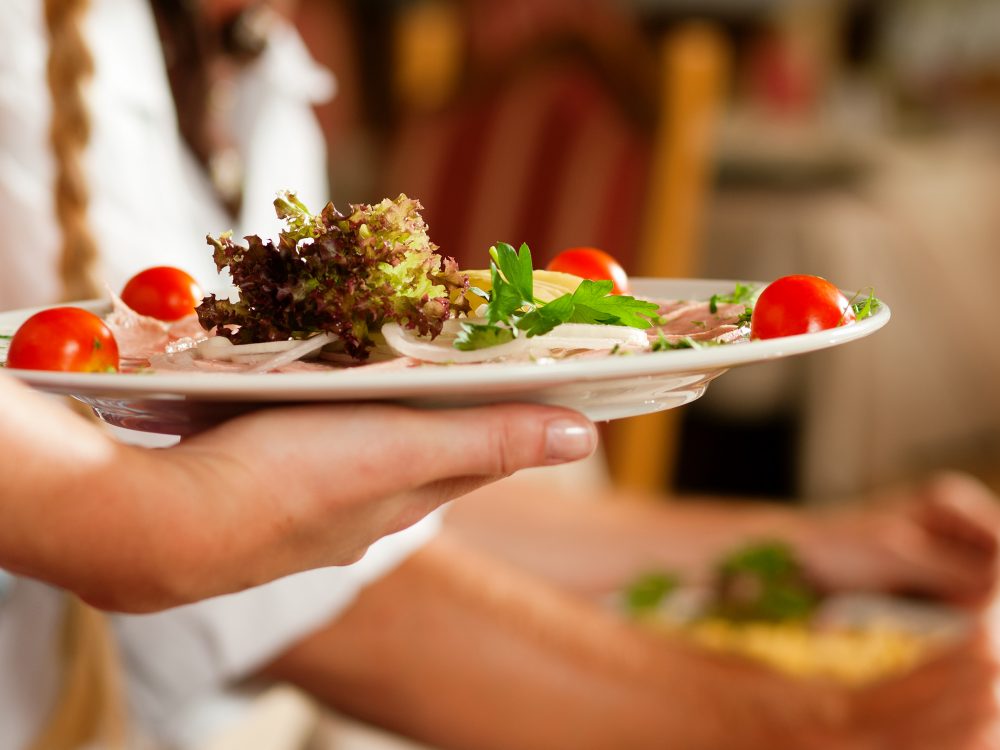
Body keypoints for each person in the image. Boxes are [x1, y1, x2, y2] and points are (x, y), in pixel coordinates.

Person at [3, 1, 998, 749]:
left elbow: (365, 504)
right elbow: (273, 592)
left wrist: (811, 543)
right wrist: (832, 725)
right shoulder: (34, 53)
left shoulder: (258, 65)